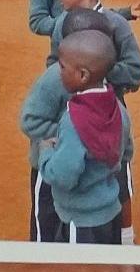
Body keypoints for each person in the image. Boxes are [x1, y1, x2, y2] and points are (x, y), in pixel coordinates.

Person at [36, 31, 127, 244]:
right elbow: (126, 150)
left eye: (62, 67)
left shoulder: (73, 120)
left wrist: (46, 152)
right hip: (110, 213)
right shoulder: (118, 108)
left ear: (83, 75)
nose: (59, 72)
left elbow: (63, 176)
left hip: (80, 221)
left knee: (78, 267)